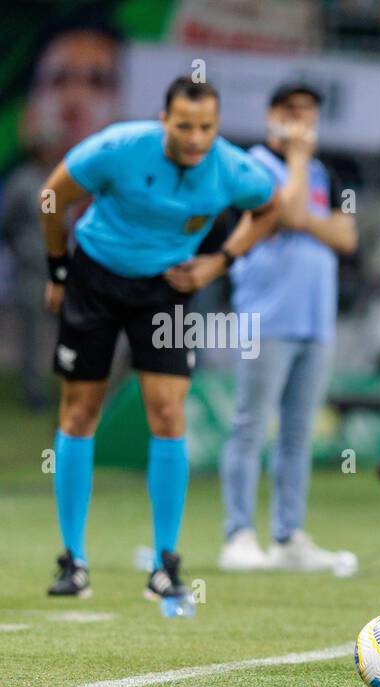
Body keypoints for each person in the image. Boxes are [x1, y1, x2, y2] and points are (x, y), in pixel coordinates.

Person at [40, 77, 278, 599]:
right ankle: (72, 561)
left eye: (207, 128)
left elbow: (270, 206)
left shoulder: (234, 169)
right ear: (164, 120)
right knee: (80, 412)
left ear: (217, 126)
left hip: (165, 290)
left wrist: (219, 262)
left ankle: (165, 564)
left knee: (168, 413)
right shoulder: (118, 149)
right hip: (95, 279)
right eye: (184, 126)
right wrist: (58, 270)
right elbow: (53, 196)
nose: (195, 139)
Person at [219, 82, 358, 573]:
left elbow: (346, 235)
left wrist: (307, 216)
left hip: (314, 320)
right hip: (266, 317)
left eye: (310, 114)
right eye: (292, 112)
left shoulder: (327, 172)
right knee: (250, 425)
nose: (302, 123)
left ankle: (288, 535)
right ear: (271, 115)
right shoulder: (252, 164)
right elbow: (289, 212)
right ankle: (237, 534)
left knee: (297, 435)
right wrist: (298, 165)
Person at [0, 23, 121, 409]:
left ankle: (82, 393)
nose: (74, 99)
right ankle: (36, 395)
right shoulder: (25, 181)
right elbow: (8, 227)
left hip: (89, 278)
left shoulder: (107, 181)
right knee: (35, 339)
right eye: (59, 80)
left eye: (97, 81)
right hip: (36, 273)